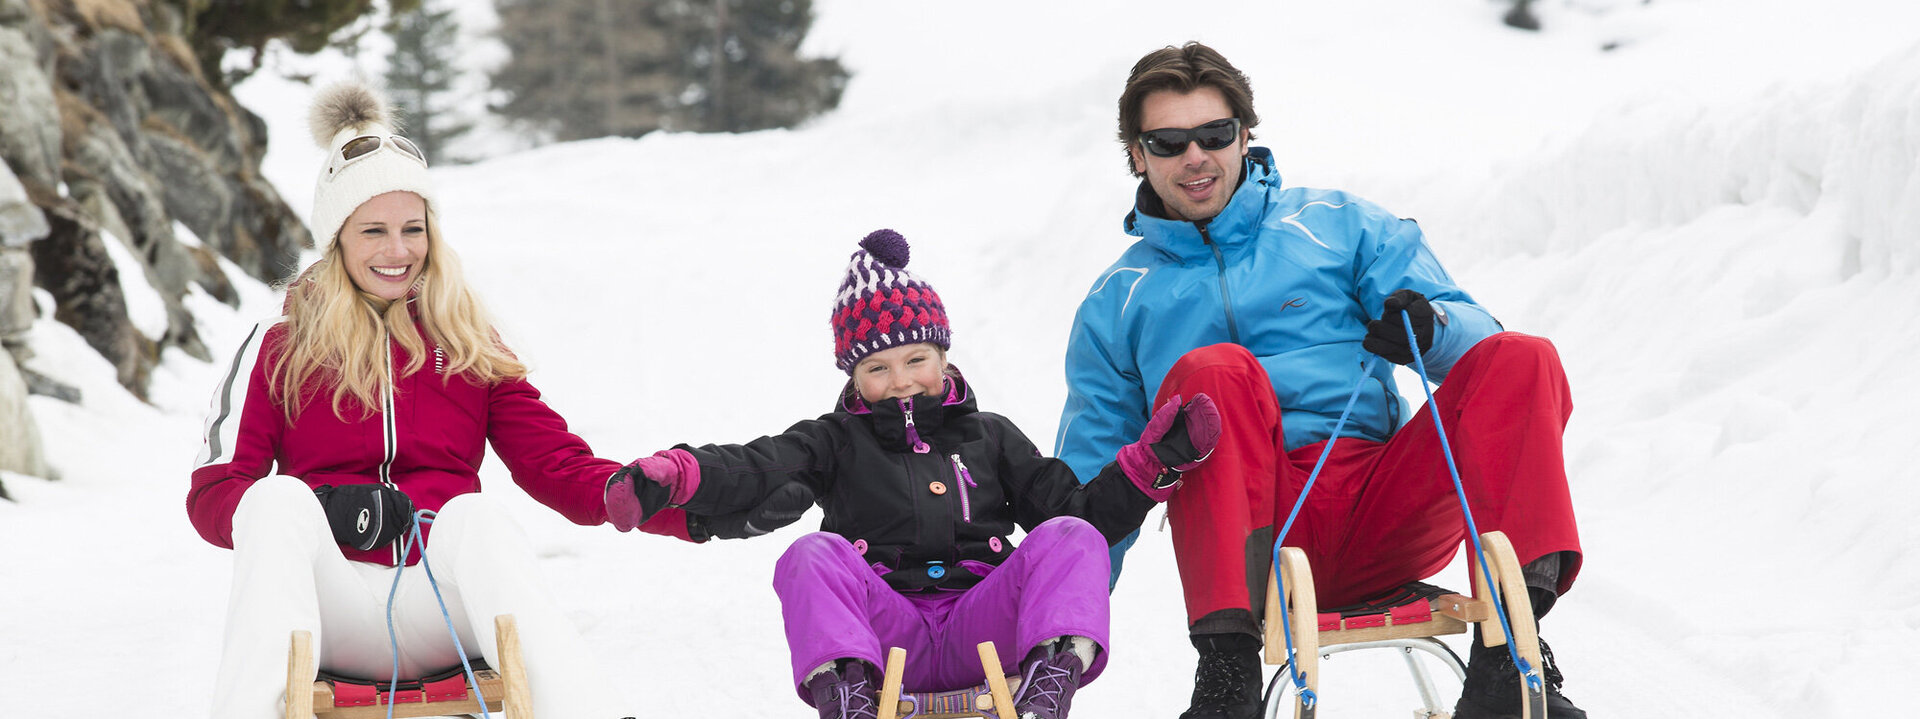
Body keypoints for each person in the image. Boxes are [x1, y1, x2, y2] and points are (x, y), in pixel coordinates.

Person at [185, 82, 795, 718]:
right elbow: (212, 497)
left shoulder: (466, 341)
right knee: (276, 500)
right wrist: (330, 509)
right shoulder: (280, 344)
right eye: (374, 231)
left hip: (440, 610)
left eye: (412, 229)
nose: (398, 252)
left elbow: (557, 466)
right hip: (325, 612)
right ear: (337, 238)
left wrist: (682, 509)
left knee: (477, 519)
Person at [1054, 43, 1588, 719]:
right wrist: (1053, 629)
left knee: (1524, 356)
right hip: (1252, 539)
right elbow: (1094, 479)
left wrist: (1432, 329)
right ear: (1137, 153)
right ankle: (1226, 679)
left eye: (1215, 135)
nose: (1196, 157)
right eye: (1169, 141)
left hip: (1381, 506)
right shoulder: (1120, 300)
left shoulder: (1336, 226)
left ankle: (1508, 664)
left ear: (1246, 135)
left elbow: (1483, 346)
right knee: (1211, 372)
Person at [602, 229, 1221, 719]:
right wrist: (679, 475)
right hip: (884, 635)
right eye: (876, 368)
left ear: (944, 356)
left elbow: (1082, 517)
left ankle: (1047, 689)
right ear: (852, 376)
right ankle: (846, 699)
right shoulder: (835, 439)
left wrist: (1150, 464)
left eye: (916, 359)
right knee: (812, 553)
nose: (899, 380)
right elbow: (759, 467)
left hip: (985, 626)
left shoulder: (992, 436)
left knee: (1072, 537)